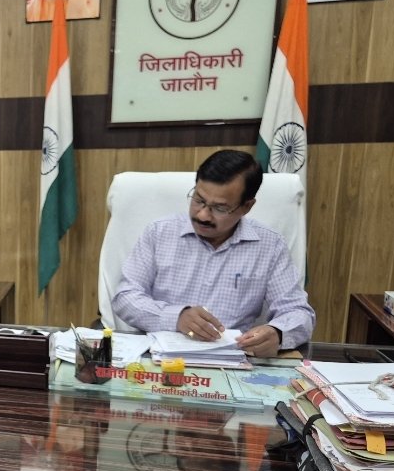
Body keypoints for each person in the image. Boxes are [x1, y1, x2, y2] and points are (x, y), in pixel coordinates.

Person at [111, 150, 316, 359]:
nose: (203, 215)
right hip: (161, 360)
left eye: (219, 208)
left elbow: (298, 312)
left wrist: (277, 333)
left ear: (246, 206)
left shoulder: (270, 246)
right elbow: (125, 297)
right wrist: (176, 317)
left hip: (234, 362)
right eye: (199, 200)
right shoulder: (159, 233)